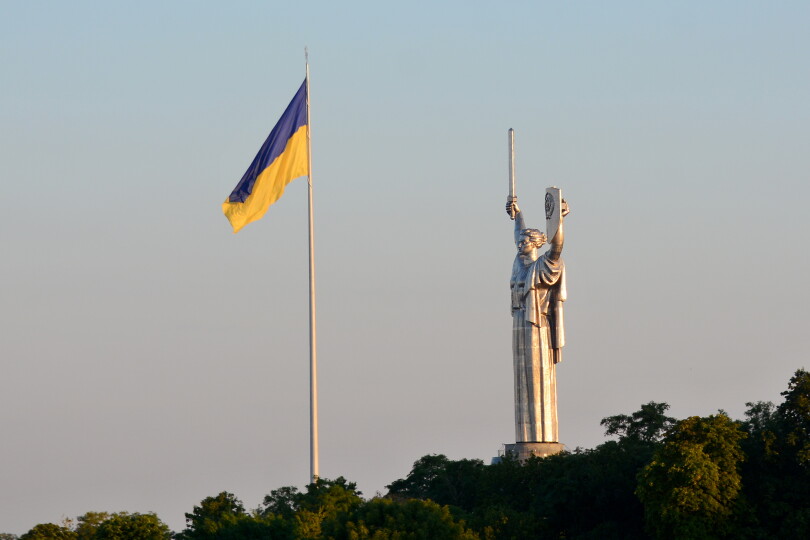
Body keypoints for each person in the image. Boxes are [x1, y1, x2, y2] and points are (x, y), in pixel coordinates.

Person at [506, 198, 568, 443]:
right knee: (522, 377)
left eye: (526, 241)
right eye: (520, 241)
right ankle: (526, 441)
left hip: (537, 326)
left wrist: (559, 221)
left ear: (536, 244)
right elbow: (517, 232)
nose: (521, 243)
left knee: (537, 378)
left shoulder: (545, 264)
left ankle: (541, 441)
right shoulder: (520, 262)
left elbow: (558, 246)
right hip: (520, 323)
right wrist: (518, 213)